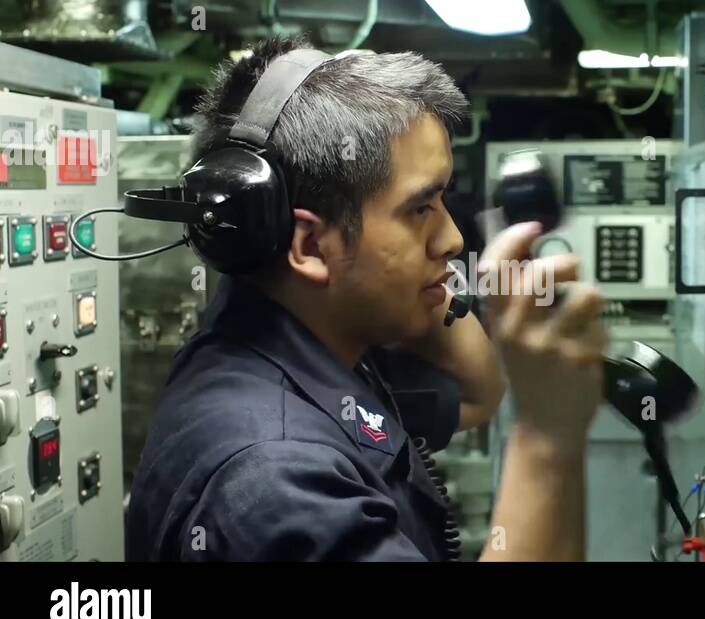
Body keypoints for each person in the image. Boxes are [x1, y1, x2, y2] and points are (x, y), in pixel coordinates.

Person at [124, 36, 606, 562]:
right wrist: (547, 437)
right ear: (309, 246)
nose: (454, 240)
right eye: (420, 208)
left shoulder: (310, 345)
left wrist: (430, 283)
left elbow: (477, 394)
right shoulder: (276, 482)